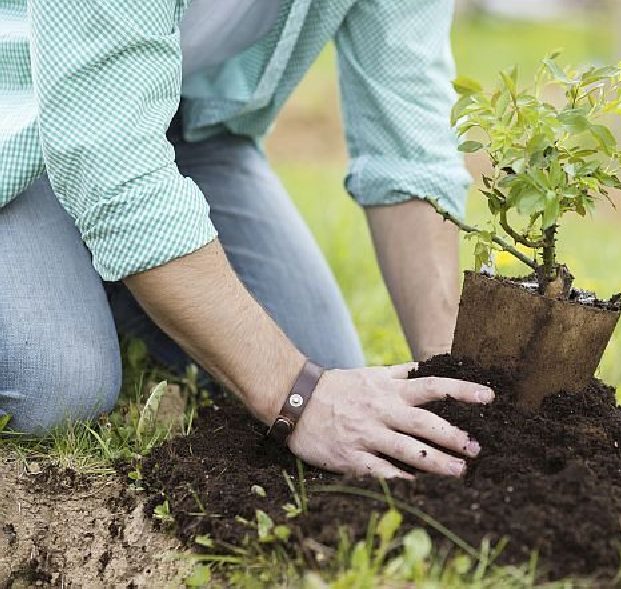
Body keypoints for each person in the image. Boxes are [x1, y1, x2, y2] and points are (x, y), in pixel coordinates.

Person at [0, 0, 494, 478]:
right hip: (21, 108)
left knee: (325, 365)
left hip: (186, 124)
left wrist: (455, 385)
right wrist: (297, 399)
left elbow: (408, 137)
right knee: (56, 386)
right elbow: (109, 155)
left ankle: (104, 261)